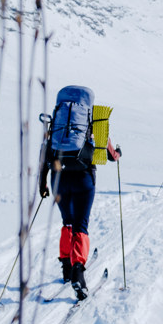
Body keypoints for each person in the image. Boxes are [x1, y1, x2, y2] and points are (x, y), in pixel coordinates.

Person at [39, 86, 121, 300]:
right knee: (80, 225)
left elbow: (44, 153)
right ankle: (77, 271)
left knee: (67, 222)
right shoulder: (92, 122)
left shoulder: (56, 124)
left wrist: (42, 183)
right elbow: (110, 154)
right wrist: (117, 154)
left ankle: (66, 266)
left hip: (58, 179)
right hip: (83, 178)